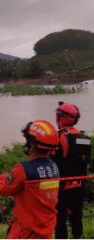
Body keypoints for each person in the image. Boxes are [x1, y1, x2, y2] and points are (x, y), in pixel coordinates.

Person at [0, 120, 60, 239]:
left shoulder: (22, 169)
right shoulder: (54, 167)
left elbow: (4, 189)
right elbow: (18, 179)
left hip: (26, 230)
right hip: (47, 229)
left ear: (32, 145)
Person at [52, 101, 92, 239]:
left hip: (62, 185)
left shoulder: (59, 136)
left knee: (60, 219)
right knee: (77, 216)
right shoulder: (85, 137)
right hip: (80, 184)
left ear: (60, 118)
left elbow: (52, 160)